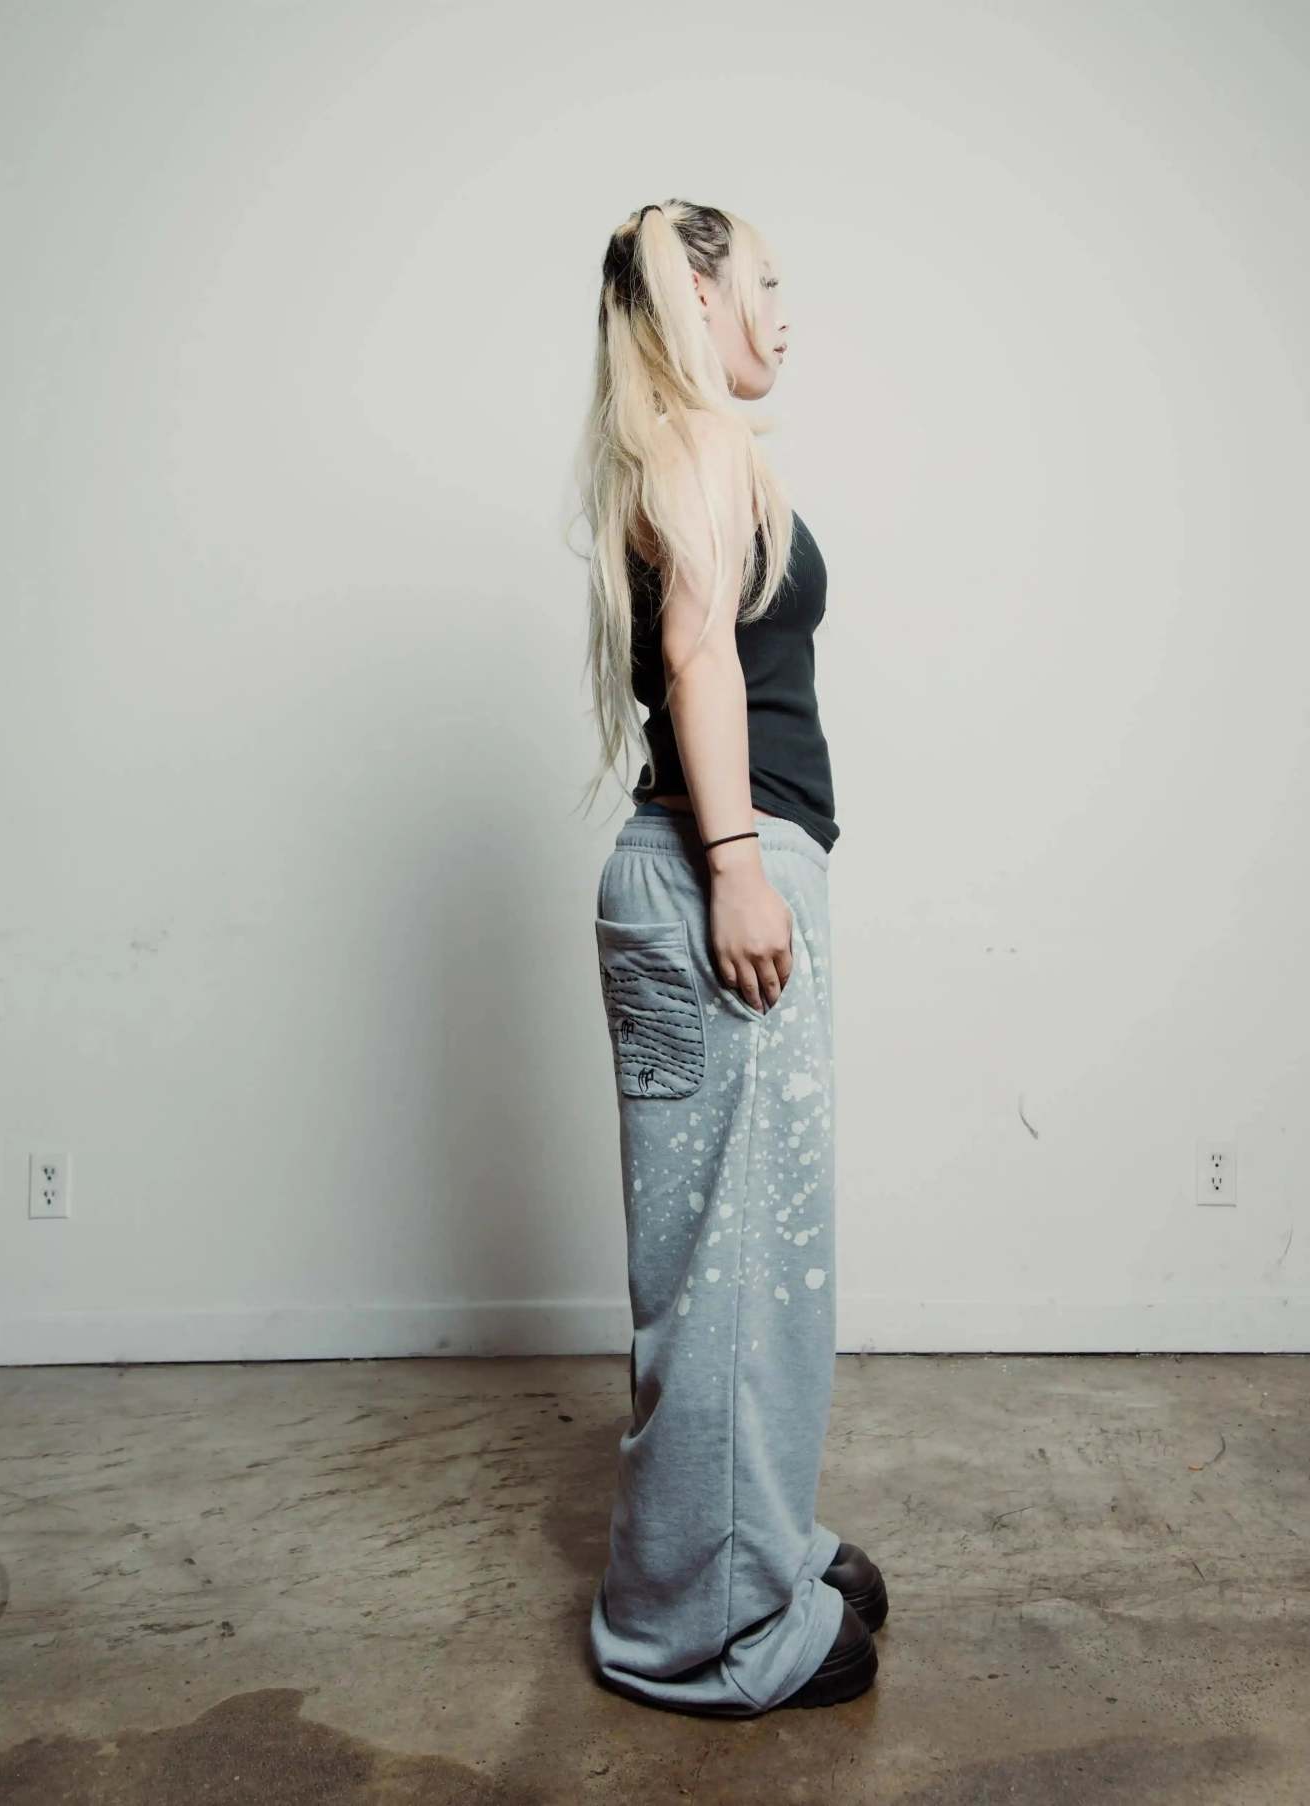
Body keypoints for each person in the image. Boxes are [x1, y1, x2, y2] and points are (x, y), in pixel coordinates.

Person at [572, 199, 887, 1716]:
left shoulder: (671, 449)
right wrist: (741, 865)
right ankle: (701, 1634)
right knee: (740, 1277)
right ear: (698, 295)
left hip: (686, 872)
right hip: (713, 879)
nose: (785, 310)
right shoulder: (698, 445)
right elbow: (700, 652)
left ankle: (753, 1554)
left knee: (729, 1268)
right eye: (767, 279)